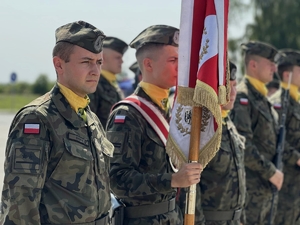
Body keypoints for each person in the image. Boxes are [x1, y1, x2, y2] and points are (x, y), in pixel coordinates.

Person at [0, 21, 114, 225]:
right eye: (86, 61)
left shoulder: (90, 118)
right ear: (59, 64)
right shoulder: (38, 119)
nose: (95, 70)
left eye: (99, 62)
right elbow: (20, 203)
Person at [106, 24, 203, 225]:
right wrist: (172, 180)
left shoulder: (173, 110)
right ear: (148, 65)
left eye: (181, 60)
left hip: (172, 217)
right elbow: (116, 179)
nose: (180, 67)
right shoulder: (128, 113)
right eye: (173, 60)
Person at [178, 61, 246, 225]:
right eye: (227, 87)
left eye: (235, 85)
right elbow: (191, 186)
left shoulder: (228, 122)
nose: (233, 92)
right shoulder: (201, 128)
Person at [230, 41, 284, 225]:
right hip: (251, 190)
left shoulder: (263, 99)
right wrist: (271, 172)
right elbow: (243, 145)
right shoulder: (243, 98)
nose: (274, 68)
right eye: (270, 63)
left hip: (265, 191)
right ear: (253, 65)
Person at [268, 49, 300, 225]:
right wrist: (297, 158)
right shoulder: (278, 103)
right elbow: (274, 139)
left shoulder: (296, 101)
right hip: (286, 185)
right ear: (287, 74)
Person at [89, 36, 128, 127]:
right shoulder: (94, 84)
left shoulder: (113, 83)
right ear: (103, 58)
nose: (122, 61)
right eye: (118, 58)